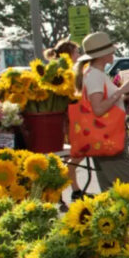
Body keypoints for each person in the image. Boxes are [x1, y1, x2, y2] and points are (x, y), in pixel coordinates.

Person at [74, 32, 129, 192]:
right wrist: (121, 91)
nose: (113, 53)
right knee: (124, 189)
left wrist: (125, 96)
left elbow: (102, 104)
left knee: (110, 190)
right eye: (110, 51)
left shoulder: (94, 73)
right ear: (102, 55)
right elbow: (98, 108)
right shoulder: (95, 76)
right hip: (110, 138)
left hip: (103, 137)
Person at [46, 40, 91, 201]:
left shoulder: (69, 71)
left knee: (70, 155)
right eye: (76, 52)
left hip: (69, 117)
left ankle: (73, 190)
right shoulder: (64, 73)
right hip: (71, 118)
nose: (78, 55)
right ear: (68, 55)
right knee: (81, 150)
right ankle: (60, 181)